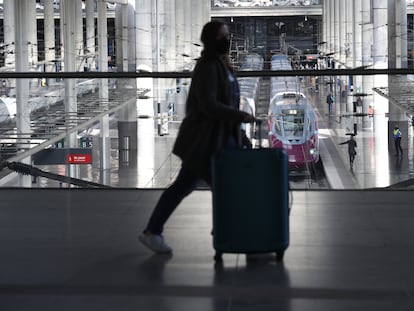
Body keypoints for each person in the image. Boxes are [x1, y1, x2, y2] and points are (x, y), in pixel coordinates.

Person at [139, 20, 255, 254]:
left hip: (216, 141)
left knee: (193, 186)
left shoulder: (221, 66)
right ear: (211, 40)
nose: (227, 40)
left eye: (227, 36)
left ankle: (157, 231)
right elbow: (209, 105)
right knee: (218, 188)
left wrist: (240, 133)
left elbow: (224, 103)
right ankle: (224, 233)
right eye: (223, 36)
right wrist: (241, 116)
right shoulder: (207, 67)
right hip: (204, 142)